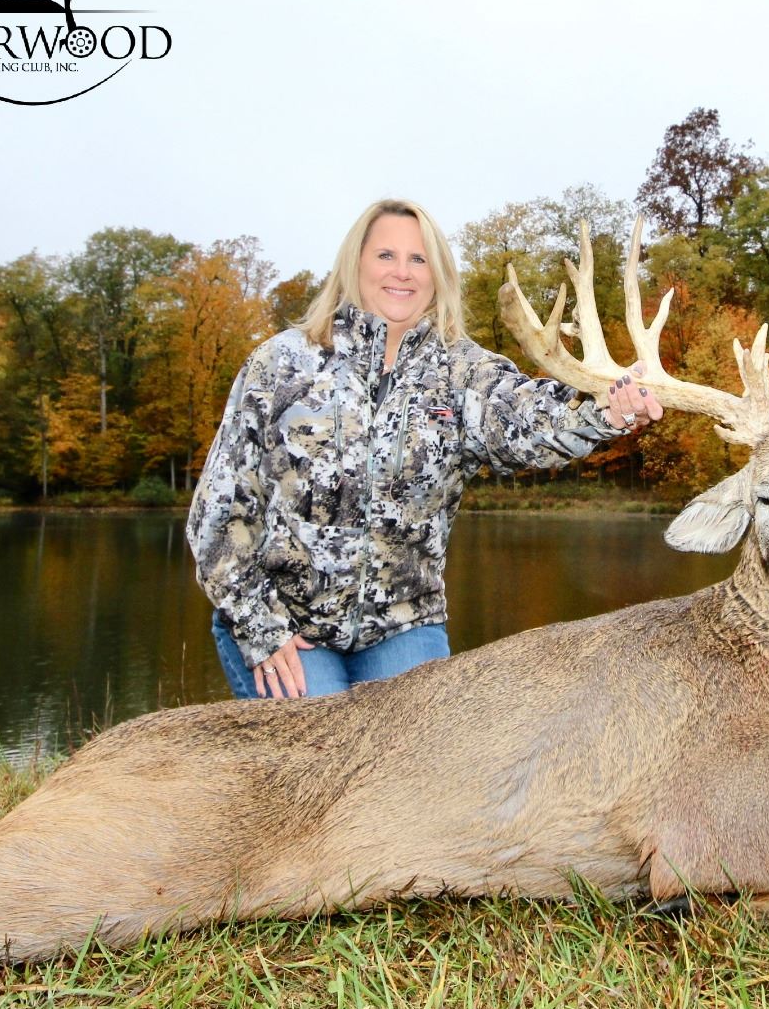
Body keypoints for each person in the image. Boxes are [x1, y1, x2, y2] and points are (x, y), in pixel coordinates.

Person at [186, 198, 663, 700]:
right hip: (286, 622)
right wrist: (259, 626)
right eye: (385, 256)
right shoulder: (281, 365)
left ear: (438, 273)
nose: (403, 272)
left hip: (403, 622)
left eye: (419, 259)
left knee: (427, 747)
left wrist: (606, 410)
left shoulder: (460, 371)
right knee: (325, 746)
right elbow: (219, 512)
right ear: (355, 263)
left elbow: (526, 417)